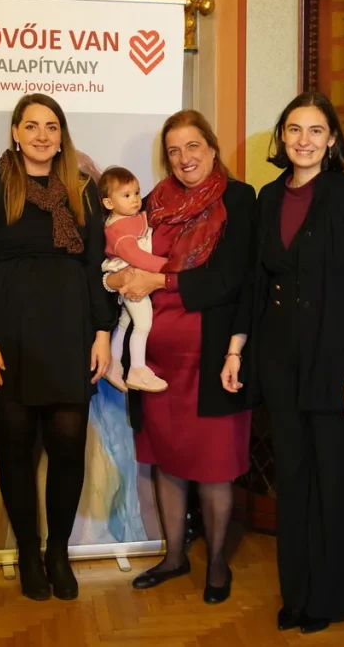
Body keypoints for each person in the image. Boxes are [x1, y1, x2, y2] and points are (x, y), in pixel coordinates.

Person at [220, 91, 344, 633]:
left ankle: (328, 600)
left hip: (337, 365)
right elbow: (254, 283)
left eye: (316, 130)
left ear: (332, 139)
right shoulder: (268, 197)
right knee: (291, 483)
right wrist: (236, 349)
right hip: (279, 363)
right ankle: (296, 595)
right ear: (282, 137)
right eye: (294, 129)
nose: (304, 140)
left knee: (331, 484)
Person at [0, 93, 116, 602]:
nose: (42, 135)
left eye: (52, 126)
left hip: (69, 334)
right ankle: (29, 553)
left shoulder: (82, 190)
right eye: (31, 125)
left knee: (68, 448)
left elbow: (96, 267)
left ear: (62, 135)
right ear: (15, 132)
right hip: (8, 335)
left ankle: (58, 554)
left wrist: (102, 334)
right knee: (14, 449)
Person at [104, 109, 255, 604]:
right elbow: (119, 255)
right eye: (174, 150)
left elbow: (230, 278)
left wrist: (159, 280)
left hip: (210, 356)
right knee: (165, 459)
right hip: (154, 359)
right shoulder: (152, 202)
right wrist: (115, 277)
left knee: (213, 464)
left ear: (211, 148)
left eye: (193, 146)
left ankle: (217, 564)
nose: (184, 158)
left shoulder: (239, 199)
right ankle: (173, 557)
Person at [98, 166, 168, 393]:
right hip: (131, 278)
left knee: (125, 321)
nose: (136, 199)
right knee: (144, 323)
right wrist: (168, 267)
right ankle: (137, 369)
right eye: (126, 195)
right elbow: (137, 257)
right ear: (109, 203)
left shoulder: (128, 218)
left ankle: (113, 363)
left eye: (137, 192)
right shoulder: (119, 231)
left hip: (131, 275)